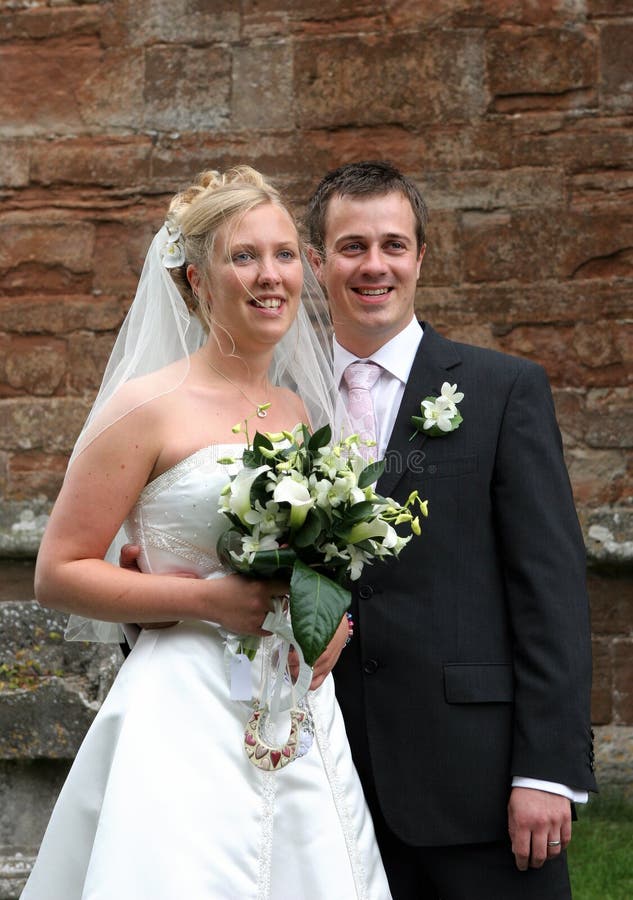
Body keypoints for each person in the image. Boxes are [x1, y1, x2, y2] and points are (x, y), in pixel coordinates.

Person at [21, 167, 392, 899]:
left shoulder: (298, 410)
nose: (271, 276)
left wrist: (328, 619)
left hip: (295, 705)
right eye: (243, 256)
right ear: (195, 277)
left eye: (285, 254)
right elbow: (57, 570)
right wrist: (205, 602)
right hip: (182, 706)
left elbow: (314, 556)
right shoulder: (146, 407)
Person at [302, 160, 597, 899]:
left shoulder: (503, 391)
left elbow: (550, 591)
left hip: (478, 780)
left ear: (420, 258)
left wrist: (547, 768)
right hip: (322, 777)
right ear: (315, 261)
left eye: (394, 245)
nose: (375, 266)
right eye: (351, 246)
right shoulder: (279, 400)